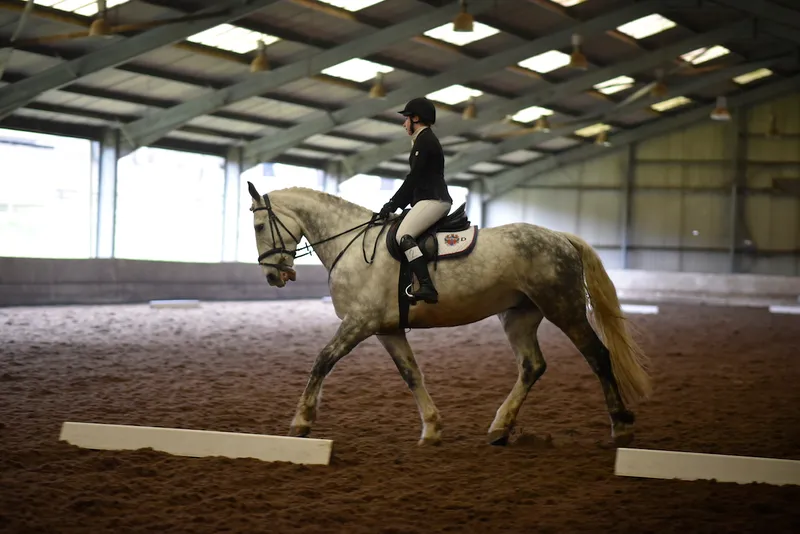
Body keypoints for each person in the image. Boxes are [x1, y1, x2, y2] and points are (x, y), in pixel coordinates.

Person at [379, 96, 453, 304]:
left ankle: (427, 285)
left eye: (406, 119)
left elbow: (414, 177)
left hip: (434, 199)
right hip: (427, 199)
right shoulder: (422, 140)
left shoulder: (426, 140)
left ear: (416, 118)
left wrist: (393, 204)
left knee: (403, 235)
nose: (404, 124)